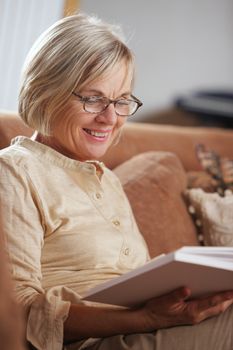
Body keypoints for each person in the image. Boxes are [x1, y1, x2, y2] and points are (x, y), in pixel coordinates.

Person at [0, 13, 232, 350]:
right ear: (45, 92)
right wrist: (145, 319)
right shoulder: (14, 171)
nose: (110, 118)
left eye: (122, 101)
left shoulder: (106, 179)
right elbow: (17, 311)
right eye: (93, 99)